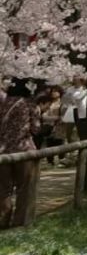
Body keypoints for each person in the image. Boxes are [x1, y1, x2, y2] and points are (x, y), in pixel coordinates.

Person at [1, 79, 41, 228]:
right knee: (25, 188)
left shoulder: (3, 103)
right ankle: (20, 222)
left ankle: (3, 220)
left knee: (3, 189)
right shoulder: (30, 104)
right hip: (24, 150)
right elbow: (36, 128)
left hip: (2, 151)